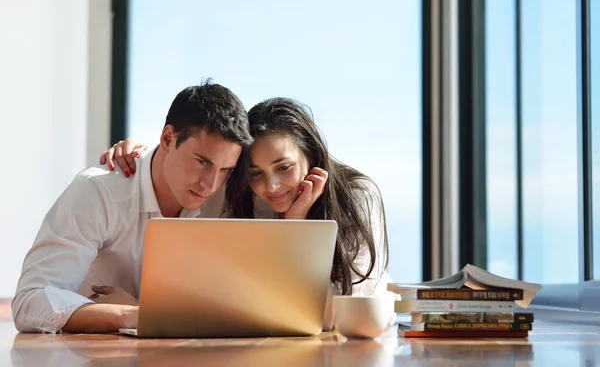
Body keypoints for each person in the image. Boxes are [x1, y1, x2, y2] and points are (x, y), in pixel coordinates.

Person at [103, 97, 394, 329]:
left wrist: (293, 230)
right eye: (256, 173)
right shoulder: (249, 200)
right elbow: (228, 300)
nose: (272, 186)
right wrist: (136, 155)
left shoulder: (357, 196)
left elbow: (345, 312)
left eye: (284, 167)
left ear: (312, 155)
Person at [12, 82, 253, 333]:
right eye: (202, 162)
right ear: (168, 139)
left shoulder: (226, 200)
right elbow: (29, 304)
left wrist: (144, 311)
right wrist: (131, 315)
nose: (210, 184)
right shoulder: (98, 191)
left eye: (225, 169)